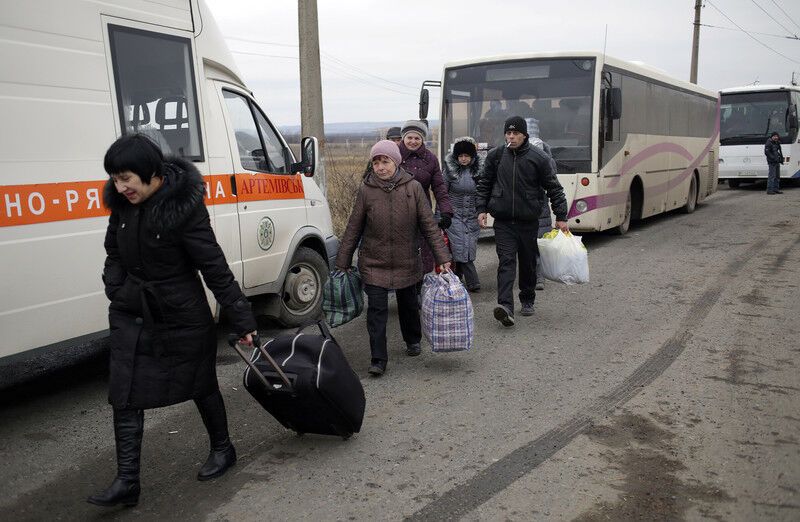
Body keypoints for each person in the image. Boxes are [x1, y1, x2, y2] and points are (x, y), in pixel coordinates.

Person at [88, 134, 257, 508]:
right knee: (125, 392)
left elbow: (212, 265)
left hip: (181, 313)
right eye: (115, 179)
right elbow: (113, 251)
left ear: (151, 173)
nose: (120, 187)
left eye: (126, 178)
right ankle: (127, 481)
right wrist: (115, 286)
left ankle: (223, 448)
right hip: (132, 312)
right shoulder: (122, 205)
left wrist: (241, 318)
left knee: (200, 383)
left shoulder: (184, 208)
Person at [336, 140, 451, 376]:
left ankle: (413, 340)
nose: (380, 167)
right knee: (376, 311)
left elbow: (429, 225)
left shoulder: (413, 187)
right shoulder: (366, 190)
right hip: (373, 262)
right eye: (376, 162)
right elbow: (353, 227)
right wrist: (343, 261)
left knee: (408, 304)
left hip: (406, 259)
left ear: (395, 162)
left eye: (385, 161)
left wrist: (442, 257)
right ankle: (378, 358)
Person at [476, 116, 568, 327]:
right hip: (504, 221)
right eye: (508, 133)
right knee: (506, 262)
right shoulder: (496, 156)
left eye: (516, 133)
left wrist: (561, 216)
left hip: (528, 221)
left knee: (527, 263)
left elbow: (554, 188)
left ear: (525, 135)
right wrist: (481, 209)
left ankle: (527, 299)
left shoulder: (539, 158)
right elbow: (484, 184)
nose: (511, 137)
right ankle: (505, 307)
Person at [398, 120, 453, 272]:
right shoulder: (394, 155)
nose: (413, 141)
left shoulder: (430, 158)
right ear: (404, 138)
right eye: (410, 137)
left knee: (424, 253)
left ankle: (421, 287)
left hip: (423, 212)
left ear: (423, 139)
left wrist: (446, 212)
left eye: (417, 138)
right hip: (397, 211)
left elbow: (439, 187)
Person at [441, 136, 483, 292]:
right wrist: (441, 216)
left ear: (472, 157)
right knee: (460, 247)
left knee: (468, 248)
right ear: (456, 157)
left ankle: (456, 279)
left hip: (472, 216)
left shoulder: (479, 171)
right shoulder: (449, 171)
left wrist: (481, 211)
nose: (464, 159)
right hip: (454, 216)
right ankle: (473, 282)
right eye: (460, 156)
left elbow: (482, 194)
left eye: (467, 156)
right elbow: (442, 194)